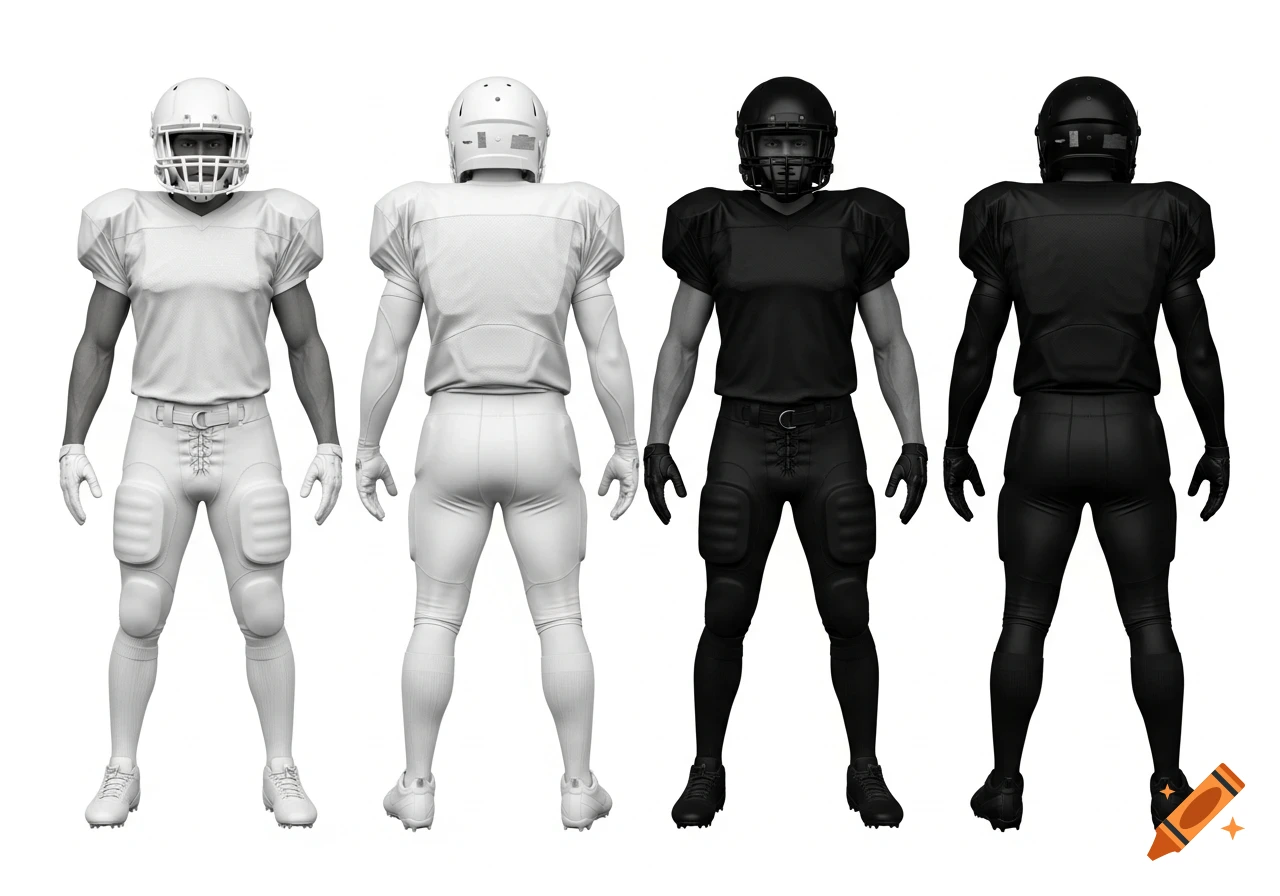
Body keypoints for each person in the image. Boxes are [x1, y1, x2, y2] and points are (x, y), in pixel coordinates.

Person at [943, 76, 1229, 832]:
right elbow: (1194, 346)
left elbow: (978, 345)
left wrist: (954, 437)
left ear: (1051, 144)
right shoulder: (1168, 215)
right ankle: (1169, 786)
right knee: (1150, 619)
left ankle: (1005, 784)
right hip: (1133, 429)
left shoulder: (1006, 215)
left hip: (1041, 429)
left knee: (1024, 619)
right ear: (1125, 143)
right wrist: (1216, 438)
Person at [356, 77, 639, 832]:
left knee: (433, 619)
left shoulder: (416, 212)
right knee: (561, 618)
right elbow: (605, 348)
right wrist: (626, 443)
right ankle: (578, 787)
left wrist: (365, 444)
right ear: (535, 141)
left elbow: (388, 347)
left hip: (451, 427)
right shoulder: (577, 212)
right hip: (543, 427)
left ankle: (416, 786)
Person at [645, 76, 926, 829]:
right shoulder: (715, 225)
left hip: (832, 432)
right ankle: (707, 768)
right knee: (725, 612)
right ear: (748, 149)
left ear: (824, 148)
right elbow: (683, 340)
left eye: (798, 142)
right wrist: (658, 437)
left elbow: (888, 339)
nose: (787, 158)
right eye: (774, 143)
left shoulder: (857, 224)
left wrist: (913, 437)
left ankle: (864, 768)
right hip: (744, 432)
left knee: (848, 613)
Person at [63, 78, 341, 828]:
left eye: (213, 142)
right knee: (139, 609)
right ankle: (122, 766)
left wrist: (329, 441)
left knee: (263, 608)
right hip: (155, 429)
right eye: (186, 141)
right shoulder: (127, 224)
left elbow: (303, 340)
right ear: (161, 147)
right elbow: (99, 339)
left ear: (239, 148)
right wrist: (71, 440)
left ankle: (280, 765)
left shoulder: (273, 224)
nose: (199, 155)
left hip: (244, 428)